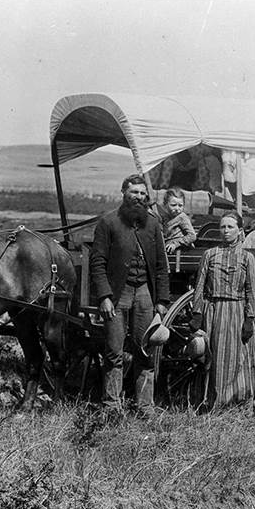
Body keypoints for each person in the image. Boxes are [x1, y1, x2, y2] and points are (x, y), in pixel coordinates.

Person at [90, 174, 170, 415]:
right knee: (114, 352)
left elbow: (160, 266)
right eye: (134, 192)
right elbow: (98, 262)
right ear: (123, 192)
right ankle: (112, 406)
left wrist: (162, 301)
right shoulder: (108, 222)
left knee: (145, 352)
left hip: (145, 293)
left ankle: (145, 407)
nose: (139, 197)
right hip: (118, 294)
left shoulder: (153, 224)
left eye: (143, 194)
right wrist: (104, 296)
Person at [189, 212, 255, 413]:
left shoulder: (248, 257)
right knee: (216, 357)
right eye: (222, 227)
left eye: (230, 227)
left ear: (239, 230)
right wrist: (197, 313)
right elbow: (200, 286)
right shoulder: (210, 254)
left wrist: (250, 317)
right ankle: (214, 403)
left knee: (240, 358)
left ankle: (240, 403)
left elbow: (250, 290)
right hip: (215, 311)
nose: (226, 231)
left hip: (238, 311)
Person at [156, 187, 197, 253]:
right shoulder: (165, 216)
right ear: (165, 204)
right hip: (167, 246)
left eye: (180, 205)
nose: (177, 208)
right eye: (173, 205)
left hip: (180, 249)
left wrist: (176, 244)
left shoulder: (182, 217)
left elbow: (192, 236)